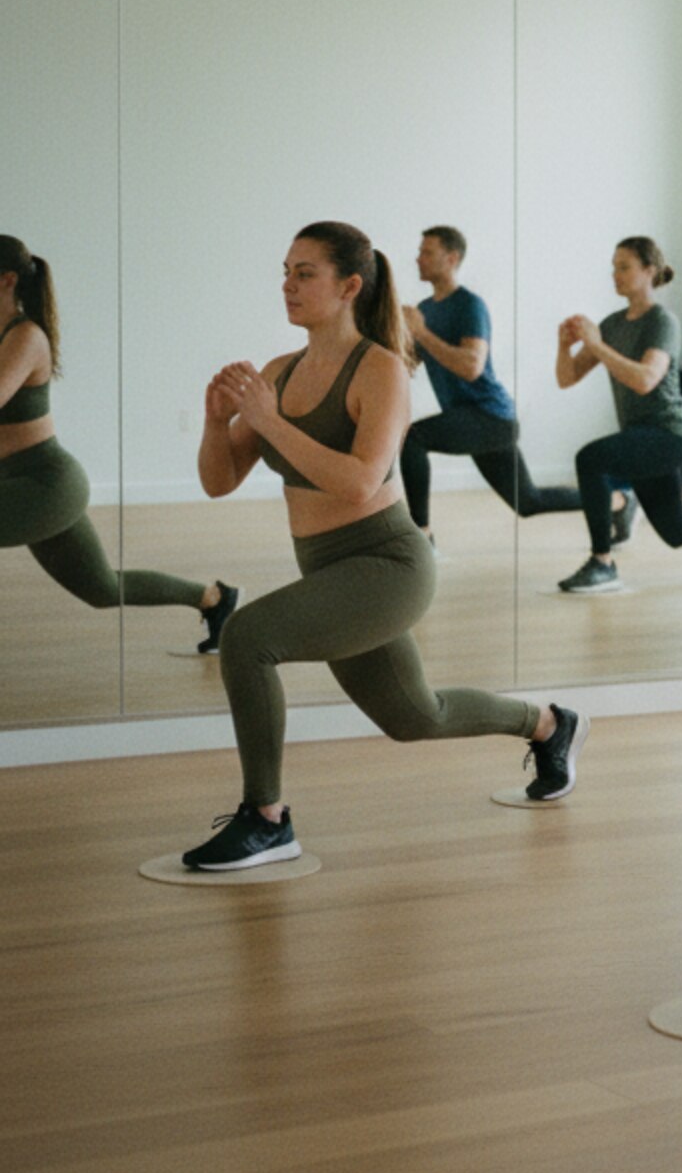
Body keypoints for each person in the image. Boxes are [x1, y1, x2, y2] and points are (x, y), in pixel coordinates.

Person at [180, 222, 585, 869]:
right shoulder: (279, 374)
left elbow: (361, 480)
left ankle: (267, 818)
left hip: (388, 566)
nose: (288, 285)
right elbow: (218, 481)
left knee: (247, 638)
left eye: (304, 273)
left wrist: (268, 422)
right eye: (285, 271)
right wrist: (215, 421)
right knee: (415, 716)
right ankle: (548, 724)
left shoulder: (382, 369)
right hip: (332, 571)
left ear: (349, 287)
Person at [0, 235, 235, 652]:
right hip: (20, 482)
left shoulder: (25, 337)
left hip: (45, 483)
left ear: (7, 281)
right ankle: (214, 598)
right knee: (103, 589)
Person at [546, 236, 682, 593]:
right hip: (643, 437)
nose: (615, 275)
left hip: (671, 435)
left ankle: (602, 564)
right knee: (677, 531)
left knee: (590, 460)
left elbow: (645, 379)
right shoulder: (612, 324)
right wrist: (565, 347)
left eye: (624, 267)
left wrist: (595, 344)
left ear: (649, 271)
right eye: (614, 268)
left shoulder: (662, 321)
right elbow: (567, 378)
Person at [397, 224, 584, 538]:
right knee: (529, 501)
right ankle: (618, 501)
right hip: (471, 419)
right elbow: (412, 362)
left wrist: (420, 332)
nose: (418, 259)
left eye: (427, 252)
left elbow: (471, 366)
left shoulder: (470, 305)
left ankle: (421, 535)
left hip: (490, 417)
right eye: (419, 252)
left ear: (452, 258)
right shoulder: (425, 310)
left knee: (413, 438)